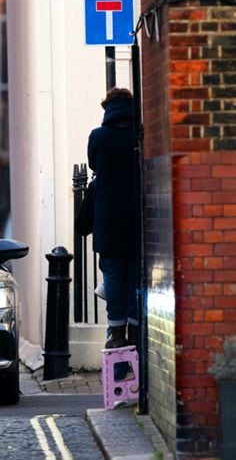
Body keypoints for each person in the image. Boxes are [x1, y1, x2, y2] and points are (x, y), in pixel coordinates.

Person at [87, 87, 138, 349]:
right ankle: (135, 329)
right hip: (136, 216)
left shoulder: (98, 137)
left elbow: (94, 166)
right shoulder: (139, 135)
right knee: (134, 276)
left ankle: (116, 333)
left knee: (113, 276)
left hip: (107, 219)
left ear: (108, 109)